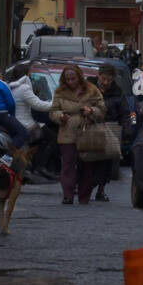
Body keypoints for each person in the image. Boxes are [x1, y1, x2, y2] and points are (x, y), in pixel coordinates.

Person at [49, 64, 105, 204]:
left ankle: (84, 195)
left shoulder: (92, 90)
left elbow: (102, 108)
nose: (71, 82)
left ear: (79, 77)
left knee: (86, 165)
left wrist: (91, 111)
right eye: (68, 79)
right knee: (68, 164)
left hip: (87, 131)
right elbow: (53, 111)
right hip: (67, 132)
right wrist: (60, 116)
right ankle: (68, 195)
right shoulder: (60, 92)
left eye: (73, 79)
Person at [89, 65, 128, 201]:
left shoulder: (117, 93)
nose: (105, 82)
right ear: (98, 76)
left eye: (109, 80)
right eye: (103, 79)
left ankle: (101, 190)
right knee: (89, 158)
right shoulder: (89, 87)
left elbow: (124, 113)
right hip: (91, 127)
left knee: (107, 161)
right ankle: (87, 185)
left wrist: (126, 132)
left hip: (110, 128)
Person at [0, 65, 29, 145]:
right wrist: (12, 116)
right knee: (22, 133)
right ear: (0, 75)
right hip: (2, 115)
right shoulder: (2, 84)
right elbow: (11, 102)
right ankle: (8, 156)